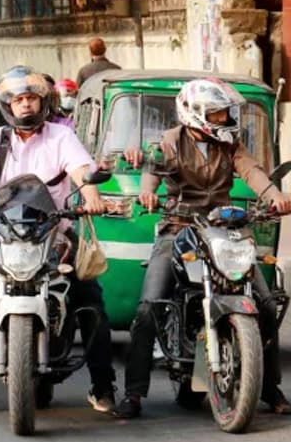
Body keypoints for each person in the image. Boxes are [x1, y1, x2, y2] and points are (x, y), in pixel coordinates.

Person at [0, 65, 116, 415]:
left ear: (44, 102)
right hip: (1, 235)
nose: (26, 105)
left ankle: (103, 385)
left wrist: (92, 194)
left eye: (32, 99)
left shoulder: (60, 136)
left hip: (54, 234)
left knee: (91, 303)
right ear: (8, 105)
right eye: (19, 100)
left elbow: (81, 170)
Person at [116, 78, 291, 418]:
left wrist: (275, 197)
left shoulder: (230, 144)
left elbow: (252, 171)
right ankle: (134, 393)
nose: (225, 119)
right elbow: (154, 169)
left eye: (225, 113)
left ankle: (269, 387)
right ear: (195, 114)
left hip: (224, 229)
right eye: (218, 113)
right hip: (179, 228)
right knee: (149, 306)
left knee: (266, 305)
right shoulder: (171, 141)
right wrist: (148, 192)